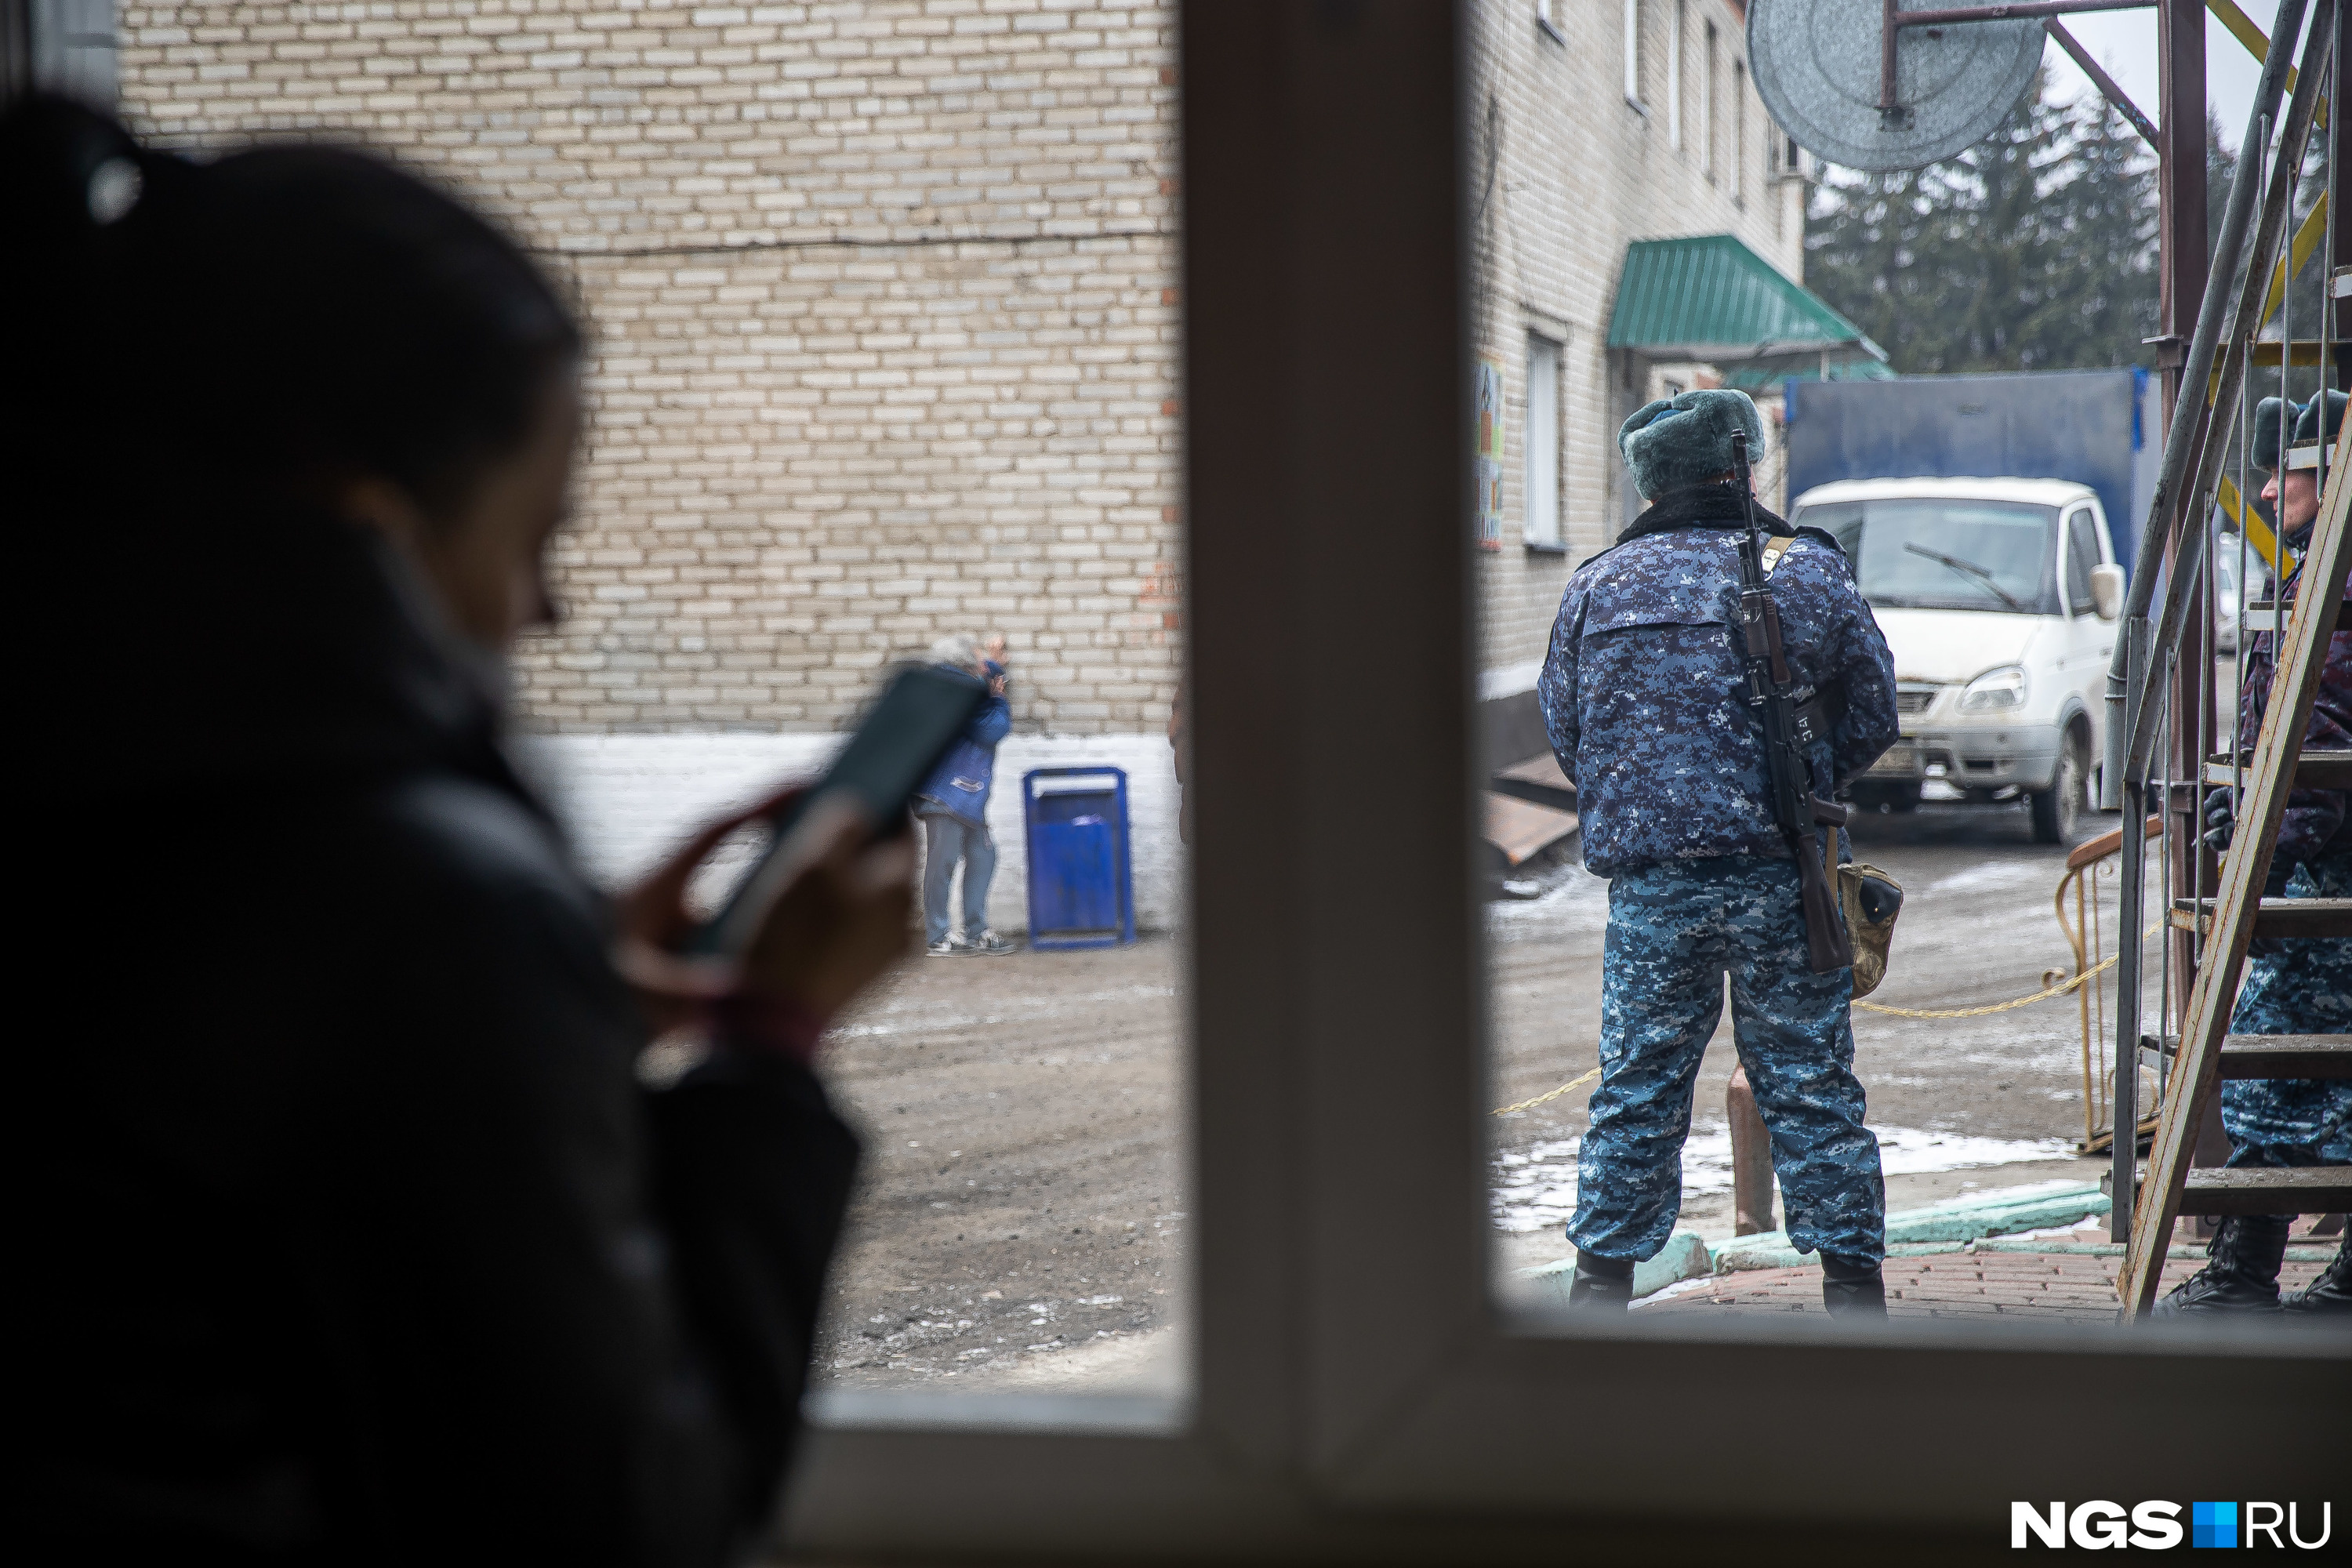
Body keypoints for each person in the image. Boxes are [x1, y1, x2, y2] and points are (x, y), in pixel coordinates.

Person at [13, 98, 916, 1561]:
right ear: (370, 529)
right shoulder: (428, 910)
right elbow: (633, 1525)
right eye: (536, 538)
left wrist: (562, 1019)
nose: (543, 612)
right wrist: (766, 1048)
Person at [1537, 389, 1901, 1316]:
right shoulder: (1804, 571)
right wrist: (1805, 781)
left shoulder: (1595, 585)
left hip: (1654, 891)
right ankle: (1857, 1304)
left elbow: (1566, 729)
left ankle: (1598, 1303)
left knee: (1635, 1091)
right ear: (1742, 467)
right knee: (1814, 1088)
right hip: (1787, 879)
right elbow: (1872, 713)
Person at [2167, 390, 2352, 1316]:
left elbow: (2314, 749)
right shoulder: (2319, 574)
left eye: (2295, 471)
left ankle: (2245, 1273)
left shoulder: (2336, 586)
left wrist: (2263, 850)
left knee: (2284, 1057)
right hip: (2318, 856)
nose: (2274, 487)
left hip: (2326, 871)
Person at [914, 633, 1016, 956]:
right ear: (963, 662)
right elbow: (991, 729)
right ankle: (938, 936)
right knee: (943, 863)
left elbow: (985, 678)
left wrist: (996, 663)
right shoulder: (957, 688)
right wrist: (999, 697)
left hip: (962, 793)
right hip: (947, 792)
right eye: (977, 656)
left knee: (983, 856)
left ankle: (974, 930)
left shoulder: (958, 684)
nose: (981, 662)